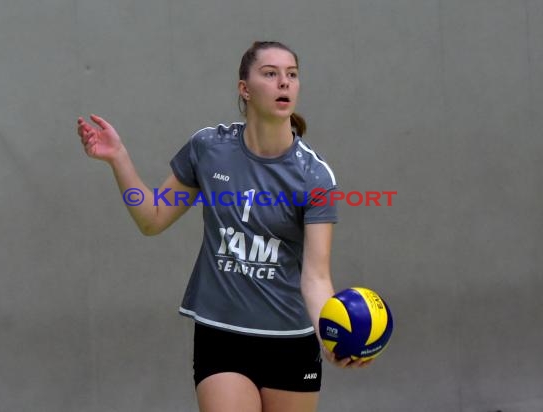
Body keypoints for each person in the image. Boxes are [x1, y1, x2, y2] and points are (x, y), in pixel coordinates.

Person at [76, 40, 371, 412]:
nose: (284, 83)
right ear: (244, 89)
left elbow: (315, 278)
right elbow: (151, 218)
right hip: (222, 337)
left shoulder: (314, 175)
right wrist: (118, 158)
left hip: (289, 341)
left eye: (292, 75)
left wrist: (331, 335)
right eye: (270, 73)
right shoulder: (208, 148)